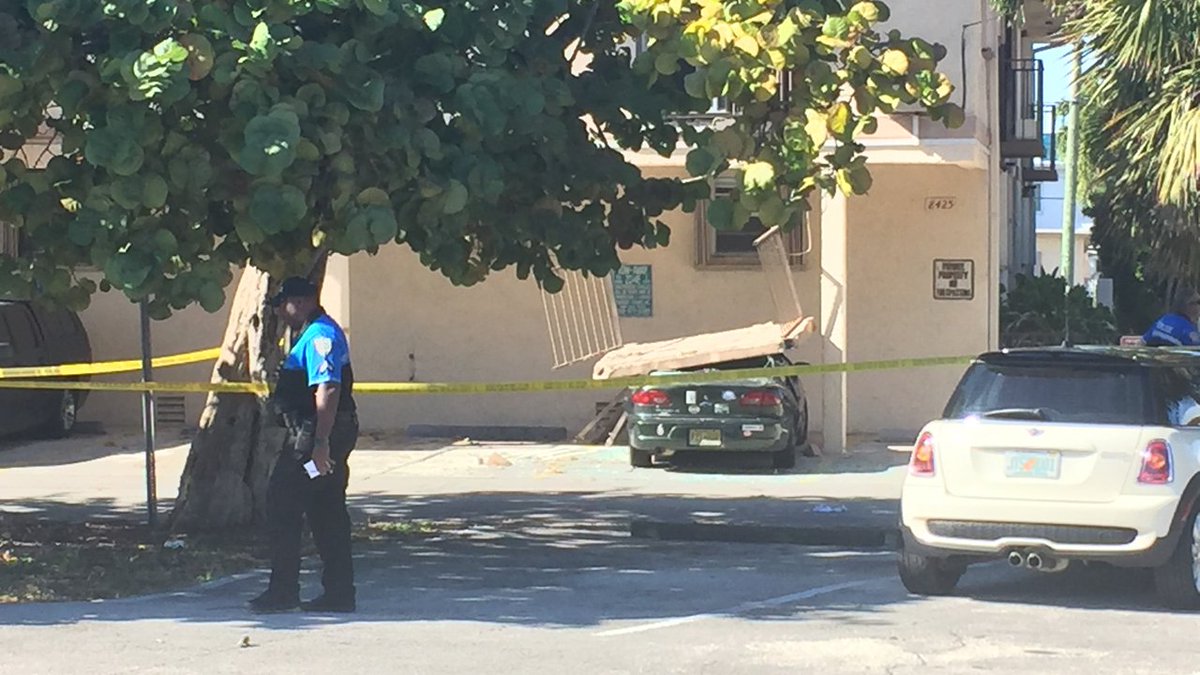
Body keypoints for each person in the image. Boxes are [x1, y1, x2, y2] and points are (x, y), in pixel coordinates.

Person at [249, 277, 360, 614]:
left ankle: (283, 591)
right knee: (326, 507)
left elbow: (327, 389)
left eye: (285, 303)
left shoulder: (321, 337)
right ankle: (339, 593)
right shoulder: (312, 332)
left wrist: (320, 444)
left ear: (305, 300)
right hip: (320, 437)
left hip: (315, 440)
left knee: (283, 502)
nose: (281, 311)